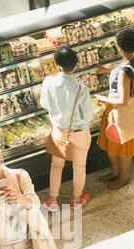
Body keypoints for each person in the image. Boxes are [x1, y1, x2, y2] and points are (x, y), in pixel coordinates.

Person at [40, 46, 94, 211]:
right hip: (79, 132)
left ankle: (52, 200)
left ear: (57, 65)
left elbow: (44, 104)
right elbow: (88, 115)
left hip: (59, 131)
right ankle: (77, 199)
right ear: (76, 65)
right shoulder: (81, 89)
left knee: (56, 166)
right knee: (79, 167)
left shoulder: (48, 82)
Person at [95, 28, 134, 189]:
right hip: (120, 111)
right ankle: (116, 173)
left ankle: (123, 177)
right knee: (113, 143)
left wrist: (102, 99)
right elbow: (125, 69)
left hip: (120, 112)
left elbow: (122, 100)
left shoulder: (123, 73)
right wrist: (108, 71)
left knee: (122, 147)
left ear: (119, 48)